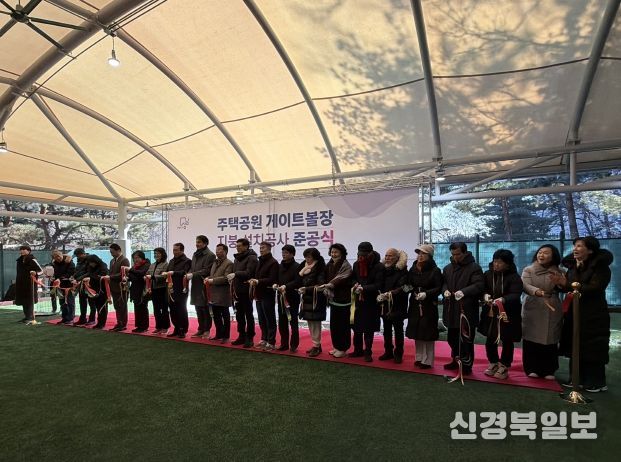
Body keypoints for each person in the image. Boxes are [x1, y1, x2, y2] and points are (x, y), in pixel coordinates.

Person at [551, 236, 613, 393]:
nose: (575, 249)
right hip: (574, 311)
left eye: (579, 246)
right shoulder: (573, 266)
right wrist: (559, 284)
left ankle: (596, 382)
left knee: (592, 345)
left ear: (590, 250)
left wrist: (567, 284)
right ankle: (576, 378)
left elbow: (595, 288)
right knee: (574, 342)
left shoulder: (601, 267)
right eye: (575, 245)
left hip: (593, 313)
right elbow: (569, 287)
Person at [479, 249, 523, 380]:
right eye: (495, 261)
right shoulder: (488, 274)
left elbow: (516, 294)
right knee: (490, 338)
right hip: (491, 312)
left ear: (508, 264)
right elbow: (482, 289)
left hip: (508, 313)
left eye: (500, 262)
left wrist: (503, 299)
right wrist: (485, 296)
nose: (496, 264)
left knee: (507, 339)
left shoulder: (514, 277)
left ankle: (504, 365)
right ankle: (493, 362)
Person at [521, 244, 564, 379]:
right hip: (533, 304)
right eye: (540, 252)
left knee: (551, 337)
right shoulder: (529, 270)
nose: (541, 255)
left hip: (552, 305)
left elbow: (564, 286)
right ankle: (531, 367)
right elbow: (525, 285)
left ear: (553, 256)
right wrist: (536, 291)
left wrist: (560, 282)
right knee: (531, 337)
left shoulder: (559, 271)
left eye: (546, 253)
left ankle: (549, 369)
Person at [442, 242, 484, 376]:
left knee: (466, 340)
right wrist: (445, 291)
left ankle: (466, 365)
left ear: (465, 252)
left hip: (467, 310)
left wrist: (464, 292)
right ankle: (455, 360)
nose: (455, 257)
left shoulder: (474, 268)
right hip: (451, 309)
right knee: (452, 338)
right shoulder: (447, 268)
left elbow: (479, 285)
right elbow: (444, 283)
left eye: (458, 254)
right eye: (453, 254)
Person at [406, 244, 442, 369]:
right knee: (417, 330)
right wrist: (406, 290)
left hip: (429, 305)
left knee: (428, 331)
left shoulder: (435, 270)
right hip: (415, 303)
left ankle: (428, 360)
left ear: (429, 256)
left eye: (423, 254)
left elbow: (438, 288)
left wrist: (426, 294)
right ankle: (419, 357)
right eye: (419, 253)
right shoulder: (413, 269)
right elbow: (408, 284)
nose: (420, 256)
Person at [351, 242, 384, 362]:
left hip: (371, 301)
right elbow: (353, 278)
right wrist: (355, 285)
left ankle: (368, 352)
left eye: (364, 255)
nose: (361, 257)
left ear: (370, 253)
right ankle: (357, 350)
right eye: (360, 254)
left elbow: (379, 284)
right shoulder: (356, 264)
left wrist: (364, 288)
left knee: (368, 328)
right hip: (358, 300)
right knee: (357, 327)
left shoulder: (379, 266)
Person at [377, 248, 408, 364]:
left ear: (397, 258)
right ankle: (388, 351)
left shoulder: (403, 271)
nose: (387, 258)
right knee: (386, 330)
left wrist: (391, 294)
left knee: (398, 330)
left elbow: (407, 287)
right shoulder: (383, 270)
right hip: (385, 304)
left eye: (390, 256)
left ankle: (398, 353)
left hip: (398, 305)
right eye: (386, 255)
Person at [324, 243, 353, 359]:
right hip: (333, 299)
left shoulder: (346, 265)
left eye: (336, 252)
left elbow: (341, 278)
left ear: (342, 253)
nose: (333, 254)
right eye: (332, 252)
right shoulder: (329, 264)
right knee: (334, 325)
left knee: (343, 326)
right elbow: (324, 276)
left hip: (344, 300)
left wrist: (330, 284)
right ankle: (336, 346)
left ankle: (343, 348)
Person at [228, 238, 258, 348]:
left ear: (246, 246)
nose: (237, 248)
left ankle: (250, 337)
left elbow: (249, 273)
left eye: (239, 246)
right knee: (239, 314)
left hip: (246, 290)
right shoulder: (237, 258)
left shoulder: (252, 258)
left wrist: (236, 274)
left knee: (248, 314)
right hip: (238, 290)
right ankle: (241, 335)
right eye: (237, 246)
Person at [249, 241, 279, 351]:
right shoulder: (259, 261)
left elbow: (272, 279)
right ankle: (264, 339)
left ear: (269, 249)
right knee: (261, 318)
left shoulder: (273, 262)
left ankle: (271, 342)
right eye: (260, 248)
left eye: (263, 248)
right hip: (258, 294)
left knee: (270, 318)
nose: (261, 250)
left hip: (268, 294)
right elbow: (256, 275)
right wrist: (253, 280)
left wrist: (258, 281)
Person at [298, 248, 327, 357]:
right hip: (307, 299)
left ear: (315, 257)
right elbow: (299, 280)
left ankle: (316, 345)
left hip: (316, 299)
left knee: (315, 323)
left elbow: (321, 285)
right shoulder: (304, 266)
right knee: (310, 322)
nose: (307, 259)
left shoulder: (320, 267)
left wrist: (306, 289)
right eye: (306, 256)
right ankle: (316, 345)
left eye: (309, 257)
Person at [187, 235, 216, 338]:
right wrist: (189, 273)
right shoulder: (195, 254)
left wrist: (193, 274)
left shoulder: (210, 255)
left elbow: (207, 270)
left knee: (205, 309)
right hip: (195, 284)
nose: (197, 244)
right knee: (198, 308)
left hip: (204, 285)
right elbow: (192, 267)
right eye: (196, 242)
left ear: (205, 243)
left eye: (199, 242)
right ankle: (200, 329)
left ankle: (206, 330)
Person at [275, 245, 303, 352]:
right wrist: (275, 284)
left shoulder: (297, 266)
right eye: (283, 252)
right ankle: (284, 344)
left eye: (286, 252)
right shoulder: (279, 266)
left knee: (293, 321)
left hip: (292, 298)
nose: (284, 254)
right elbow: (277, 279)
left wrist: (286, 286)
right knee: (282, 323)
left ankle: (294, 345)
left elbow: (298, 281)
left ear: (292, 254)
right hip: (281, 297)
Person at [163, 242, 191, 338]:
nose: (174, 252)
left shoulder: (187, 261)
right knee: (172, 309)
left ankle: (183, 330)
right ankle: (176, 328)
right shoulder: (171, 261)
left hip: (181, 289)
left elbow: (185, 272)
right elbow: (168, 271)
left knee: (181, 309)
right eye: (173, 250)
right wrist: (165, 274)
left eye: (176, 250)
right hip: (171, 289)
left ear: (182, 250)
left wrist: (173, 273)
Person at [206, 244, 234, 342]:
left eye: (220, 250)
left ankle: (226, 336)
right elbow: (212, 275)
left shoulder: (229, 263)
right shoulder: (215, 262)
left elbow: (226, 278)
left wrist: (212, 281)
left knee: (225, 316)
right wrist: (208, 278)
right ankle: (218, 334)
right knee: (216, 315)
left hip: (223, 294)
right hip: (214, 293)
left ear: (225, 251)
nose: (217, 252)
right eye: (216, 250)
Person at [15, 245, 42, 323]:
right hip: (21, 283)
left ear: (29, 251)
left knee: (29, 300)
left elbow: (40, 270)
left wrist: (35, 272)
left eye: (24, 249)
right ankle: (26, 317)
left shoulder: (32, 259)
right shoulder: (19, 260)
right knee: (23, 300)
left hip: (30, 284)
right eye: (21, 249)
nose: (22, 251)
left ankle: (30, 317)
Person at [146, 247, 170, 334]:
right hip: (153, 289)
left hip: (162, 289)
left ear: (163, 254)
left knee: (164, 309)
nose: (156, 255)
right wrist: (146, 277)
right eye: (155, 253)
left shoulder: (166, 264)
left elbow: (164, 276)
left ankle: (165, 327)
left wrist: (152, 277)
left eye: (158, 253)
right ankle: (158, 326)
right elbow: (147, 274)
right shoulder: (152, 265)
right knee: (156, 309)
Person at [126, 250, 151, 333]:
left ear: (142, 258)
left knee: (143, 308)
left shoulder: (147, 265)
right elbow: (132, 276)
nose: (135, 260)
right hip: (135, 290)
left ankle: (144, 326)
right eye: (134, 258)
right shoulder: (135, 266)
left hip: (143, 290)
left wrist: (131, 270)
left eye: (137, 258)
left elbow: (141, 274)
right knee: (137, 309)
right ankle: (139, 326)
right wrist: (127, 278)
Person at [108, 243, 130, 332]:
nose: (111, 254)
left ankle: (123, 324)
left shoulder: (125, 260)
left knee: (122, 306)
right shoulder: (112, 261)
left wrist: (110, 277)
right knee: (117, 306)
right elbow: (111, 272)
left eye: (112, 252)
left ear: (119, 251)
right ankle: (119, 322)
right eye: (110, 252)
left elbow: (123, 274)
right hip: (113, 287)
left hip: (122, 287)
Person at [83, 255, 109, 329]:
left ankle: (102, 323)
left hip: (102, 290)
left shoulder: (103, 266)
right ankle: (99, 322)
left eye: (91, 263)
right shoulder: (91, 267)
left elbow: (102, 277)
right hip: (94, 290)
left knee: (102, 307)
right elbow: (90, 274)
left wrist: (90, 277)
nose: (90, 264)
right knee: (97, 306)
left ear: (95, 261)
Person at [51, 250, 76, 325]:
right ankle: (64, 318)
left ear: (62, 255)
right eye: (55, 257)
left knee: (70, 302)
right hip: (59, 285)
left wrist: (60, 278)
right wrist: (53, 277)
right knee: (62, 302)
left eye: (59, 256)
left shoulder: (70, 262)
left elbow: (70, 273)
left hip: (69, 285)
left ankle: (70, 318)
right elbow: (55, 273)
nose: (58, 258)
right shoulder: (54, 263)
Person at [72, 248, 91, 325]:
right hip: (80, 284)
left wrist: (78, 279)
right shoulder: (79, 261)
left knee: (91, 302)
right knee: (82, 302)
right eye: (77, 256)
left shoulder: (90, 260)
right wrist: (73, 276)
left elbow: (89, 272)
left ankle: (92, 319)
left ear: (83, 253)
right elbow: (77, 271)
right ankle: (83, 318)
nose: (78, 257)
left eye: (78, 255)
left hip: (88, 284)